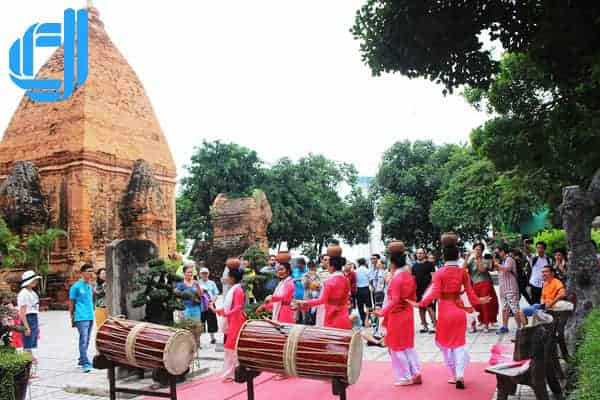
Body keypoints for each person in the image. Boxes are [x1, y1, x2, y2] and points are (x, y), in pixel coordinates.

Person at [413, 235, 490, 390]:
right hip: (459, 311)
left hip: (445, 312)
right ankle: (460, 375)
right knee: (460, 345)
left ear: (444, 256)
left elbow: (433, 294)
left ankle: (454, 375)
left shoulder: (440, 272)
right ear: (458, 256)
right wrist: (480, 301)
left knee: (446, 345)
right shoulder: (463, 272)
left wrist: (420, 304)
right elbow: (470, 293)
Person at [375, 249, 421, 386]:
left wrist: (383, 312)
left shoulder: (397, 279)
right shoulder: (409, 277)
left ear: (392, 263)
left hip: (396, 315)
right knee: (408, 346)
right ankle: (416, 372)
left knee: (396, 347)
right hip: (407, 313)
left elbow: (394, 300)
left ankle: (405, 376)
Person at [296, 249, 352, 329]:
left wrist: (304, 302)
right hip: (343, 315)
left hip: (330, 316)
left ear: (332, 267)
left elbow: (321, 300)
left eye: (328, 265)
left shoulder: (329, 282)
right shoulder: (346, 280)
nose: (327, 267)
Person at [210, 266, 246, 382]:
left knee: (231, 347)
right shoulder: (234, 289)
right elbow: (231, 308)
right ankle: (234, 372)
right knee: (231, 347)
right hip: (233, 320)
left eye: (228, 276)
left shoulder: (238, 290)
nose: (226, 278)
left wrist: (225, 314)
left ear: (232, 278)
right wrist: (218, 311)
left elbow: (238, 307)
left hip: (237, 321)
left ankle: (233, 373)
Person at [464, 244, 498, 333]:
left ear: (482, 251)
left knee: (485, 305)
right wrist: (467, 258)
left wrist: (478, 259)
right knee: (474, 305)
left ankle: (486, 324)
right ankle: (473, 325)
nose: (477, 251)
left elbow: (482, 270)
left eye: (479, 249)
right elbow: (463, 269)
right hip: (474, 285)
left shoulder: (486, 260)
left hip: (485, 284)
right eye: (475, 249)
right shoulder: (471, 260)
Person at [69, 264, 95, 373]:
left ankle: (82, 359)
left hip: (90, 315)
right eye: (88, 271)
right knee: (83, 339)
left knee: (87, 339)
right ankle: (85, 362)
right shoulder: (76, 286)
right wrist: (72, 317)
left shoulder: (90, 286)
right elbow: (71, 303)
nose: (91, 273)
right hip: (80, 316)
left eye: (92, 271)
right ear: (82, 272)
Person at [494, 245, 523, 334]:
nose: (497, 254)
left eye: (498, 252)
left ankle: (520, 328)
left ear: (503, 251)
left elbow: (506, 269)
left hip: (511, 289)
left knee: (515, 309)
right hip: (503, 289)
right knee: (504, 308)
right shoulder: (501, 261)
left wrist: (496, 263)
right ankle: (505, 327)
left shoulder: (509, 259)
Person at [18, 271, 41, 367]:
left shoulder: (32, 292)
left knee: (30, 344)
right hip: (28, 319)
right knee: (27, 344)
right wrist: (26, 327)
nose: (36, 281)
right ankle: (26, 367)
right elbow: (22, 312)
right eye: (34, 280)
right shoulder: (23, 293)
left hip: (33, 318)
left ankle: (29, 364)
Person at [412, 248, 437, 333]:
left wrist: (431, 289)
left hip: (428, 290)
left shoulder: (430, 264)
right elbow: (413, 279)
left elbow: (434, 277)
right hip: (418, 290)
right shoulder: (414, 266)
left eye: (421, 253)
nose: (419, 255)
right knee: (421, 307)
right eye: (418, 253)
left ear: (424, 254)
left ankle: (435, 326)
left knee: (430, 307)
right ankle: (424, 325)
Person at [198, 267, 219, 344]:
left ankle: (212, 338)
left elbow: (216, 294)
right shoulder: (197, 283)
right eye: (203, 273)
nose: (204, 275)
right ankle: (198, 339)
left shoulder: (212, 283)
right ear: (200, 274)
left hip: (210, 304)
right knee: (200, 322)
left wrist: (212, 302)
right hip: (201, 305)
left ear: (208, 274)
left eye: (206, 273)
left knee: (211, 321)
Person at [355, 258, 372, 327]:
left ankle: (363, 320)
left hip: (358, 290)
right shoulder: (367, 270)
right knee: (369, 305)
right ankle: (368, 320)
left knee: (360, 306)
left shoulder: (356, 271)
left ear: (358, 263)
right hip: (366, 289)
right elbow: (370, 279)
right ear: (365, 263)